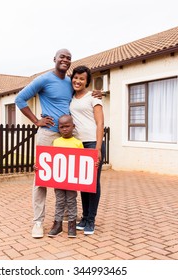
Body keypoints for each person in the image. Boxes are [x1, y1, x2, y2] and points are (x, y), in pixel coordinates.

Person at [15, 49, 102, 238]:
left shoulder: (70, 83)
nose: (65, 59)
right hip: (48, 133)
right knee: (42, 177)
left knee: (68, 176)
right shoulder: (44, 79)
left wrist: (97, 92)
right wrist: (36, 121)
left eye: (68, 58)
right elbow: (19, 99)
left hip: (69, 136)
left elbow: (82, 92)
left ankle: (65, 216)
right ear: (54, 59)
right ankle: (38, 222)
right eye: (62, 56)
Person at [70, 65, 105, 235]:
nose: (78, 81)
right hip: (78, 144)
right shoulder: (71, 97)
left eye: (82, 79)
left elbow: (100, 123)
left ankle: (91, 219)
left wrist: (98, 148)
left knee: (93, 184)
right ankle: (84, 218)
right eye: (75, 78)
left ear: (87, 82)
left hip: (92, 143)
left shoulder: (93, 97)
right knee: (83, 183)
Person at [48, 114, 83, 238]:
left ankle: (72, 225)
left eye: (67, 126)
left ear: (73, 126)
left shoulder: (78, 143)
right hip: (58, 179)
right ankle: (57, 225)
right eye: (61, 127)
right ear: (58, 128)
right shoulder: (56, 142)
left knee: (71, 201)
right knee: (59, 201)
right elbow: (50, 160)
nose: (64, 129)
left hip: (72, 180)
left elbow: (82, 162)